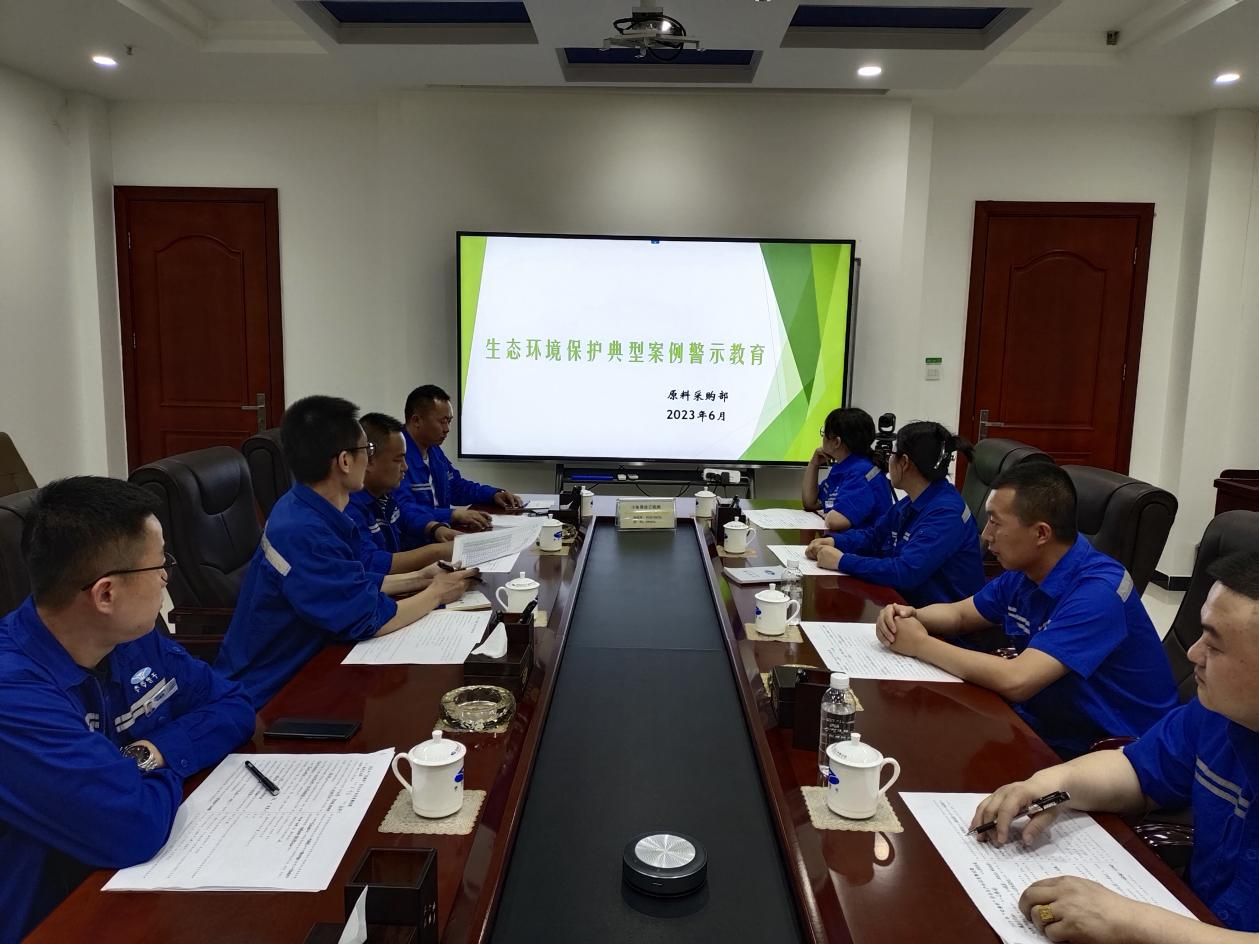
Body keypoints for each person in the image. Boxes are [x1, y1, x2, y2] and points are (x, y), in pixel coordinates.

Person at [0, 477, 256, 943]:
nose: (166, 578)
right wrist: (154, 772)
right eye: (160, 564)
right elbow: (131, 826)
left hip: (127, 888)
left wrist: (149, 753)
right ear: (105, 594)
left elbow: (233, 704)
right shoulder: (13, 693)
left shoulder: (128, 638)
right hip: (52, 918)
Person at [971, 551, 1259, 941]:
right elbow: (1135, 770)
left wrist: (1134, 924)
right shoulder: (1215, 714)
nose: (1193, 653)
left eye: (1216, 645)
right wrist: (1045, 786)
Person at [875, 461, 1177, 757]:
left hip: (1119, 750)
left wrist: (920, 644)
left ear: (1041, 533)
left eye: (996, 522)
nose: (986, 534)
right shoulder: (1026, 571)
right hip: (1052, 722)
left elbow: (1017, 680)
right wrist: (910, 615)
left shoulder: (1098, 592)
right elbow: (961, 615)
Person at [216, 396, 477, 707]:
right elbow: (368, 618)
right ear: (344, 461)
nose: (370, 458)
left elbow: (347, 581)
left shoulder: (306, 507)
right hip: (274, 689)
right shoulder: (303, 530)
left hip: (314, 662)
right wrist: (436, 593)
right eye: (367, 450)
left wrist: (421, 577)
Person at [805, 420, 984, 606]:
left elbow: (905, 572)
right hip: (904, 604)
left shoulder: (946, 514)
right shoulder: (913, 501)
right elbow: (875, 536)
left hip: (935, 617)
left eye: (893, 454)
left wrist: (842, 561)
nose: (889, 460)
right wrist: (836, 542)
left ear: (904, 462)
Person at [397, 384, 523, 533]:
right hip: (418, 540)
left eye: (449, 421)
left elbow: (456, 487)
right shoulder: (395, 457)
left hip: (442, 533)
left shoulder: (434, 450)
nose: (447, 429)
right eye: (442, 421)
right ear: (416, 421)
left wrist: (493, 494)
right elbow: (403, 510)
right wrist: (453, 515)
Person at [346, 412, 457, 577]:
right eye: (398, 460)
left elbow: (404, 515)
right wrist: (437, 552)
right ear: (368, 461)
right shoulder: (349, 506)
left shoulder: (384, 493)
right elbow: (370, 563)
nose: (405, 467)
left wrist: (434, 528)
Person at [801, 407, 894, 532]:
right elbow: (811, 503)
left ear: (836, 442)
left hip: (862, 544)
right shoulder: (843, 466)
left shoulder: (861, 472)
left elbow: (835, 521)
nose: (822, 438)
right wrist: (813, 464)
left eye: (824, 433)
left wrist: (829, 516)